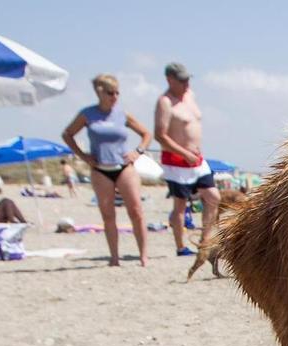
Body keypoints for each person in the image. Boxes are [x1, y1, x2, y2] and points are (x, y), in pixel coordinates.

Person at [62, 74, 152, 267]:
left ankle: (143, 256)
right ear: (99, 92)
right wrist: (83, 156)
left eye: (117, 92)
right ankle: (114, 257)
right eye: (111, 93)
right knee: (108, 214)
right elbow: (67, 134)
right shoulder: (88, 114)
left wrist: (138, 151)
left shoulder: (122, 114)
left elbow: (146, 134)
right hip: (100, 168)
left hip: (124, 167)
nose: (115, 97)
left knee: (136, 211)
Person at [154, 62, 220, 256]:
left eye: (187, 79)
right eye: (181, 80)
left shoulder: (190, 96)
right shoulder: (165, 102)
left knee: (213, 197)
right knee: (180, 206)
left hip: (197, 160)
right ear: (170, 79)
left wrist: (193, 154)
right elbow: (160, 135)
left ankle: (204, 241)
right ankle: (180, 246)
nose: (186, 84)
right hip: (177, 161)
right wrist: (184, 153)